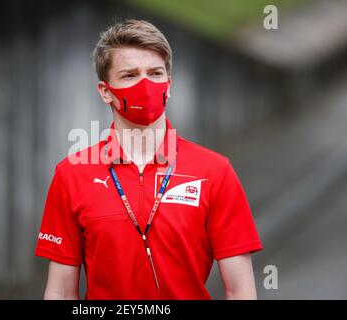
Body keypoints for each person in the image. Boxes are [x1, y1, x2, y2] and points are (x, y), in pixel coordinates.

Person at [35, 19, 263, 300]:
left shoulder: (215, 171)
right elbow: (60, 292)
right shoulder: (71, 174)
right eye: (130, 75)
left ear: (170, 84)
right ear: (105, 91)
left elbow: (241, 291)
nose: (145, 84)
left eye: (155, 73)